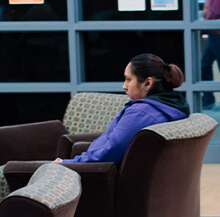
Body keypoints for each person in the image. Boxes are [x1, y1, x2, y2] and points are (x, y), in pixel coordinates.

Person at [55, 53, 188, 165]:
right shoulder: (171, 106)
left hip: (98, 176)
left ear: (148, 83)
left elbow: (111, 152)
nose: (124, 86)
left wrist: (68, 164)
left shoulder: (141, 113)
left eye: (129, 79)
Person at [198, 0, 220, 109]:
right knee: (205, 65)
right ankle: (208, 99)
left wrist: (202, 29)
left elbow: (214, 12)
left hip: (218, 34)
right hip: (215, 34)